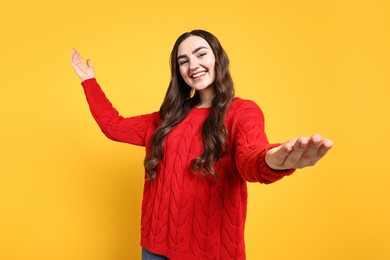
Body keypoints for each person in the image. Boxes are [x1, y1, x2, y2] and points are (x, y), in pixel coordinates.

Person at [70, 30, 333, 260]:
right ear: (179, 72)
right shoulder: (168, 117)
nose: (192, 65)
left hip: (211, 252)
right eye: (183, 61)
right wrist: (88, 81)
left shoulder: (242, 111)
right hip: (153, 248)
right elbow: (113, 126)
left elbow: (251, 157)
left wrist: (273, 160)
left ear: (218, 58)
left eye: (200, 54)